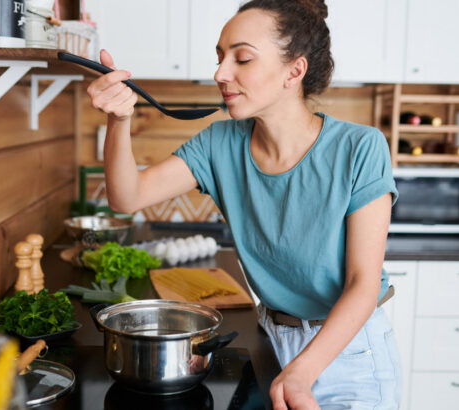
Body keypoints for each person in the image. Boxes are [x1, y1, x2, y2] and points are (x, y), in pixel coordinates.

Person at [85, 0, 400, 408]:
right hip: (271, 338)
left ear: (294, 70)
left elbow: (362, 285)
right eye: (220, 57)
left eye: (242, 58)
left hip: (349, 352)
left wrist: (302, 372)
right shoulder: (220, 144)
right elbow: (127, 197)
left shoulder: (359, 147)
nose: (220, 73)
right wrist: (119, 120)